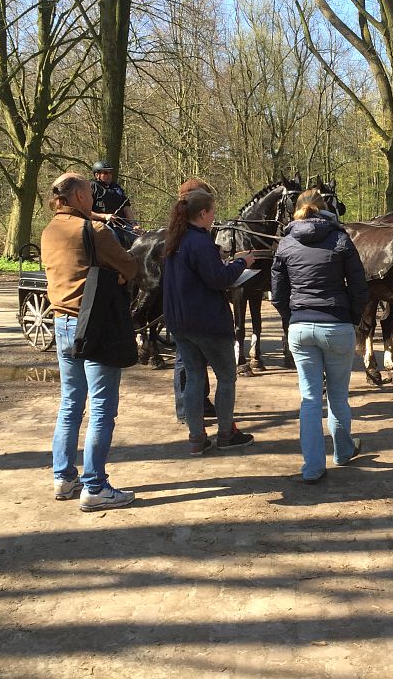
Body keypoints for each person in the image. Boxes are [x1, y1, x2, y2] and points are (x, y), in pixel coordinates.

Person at [41, 172, 140, 511]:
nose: (93, 200)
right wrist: (124, 272)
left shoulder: (49, 230)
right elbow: (130, 263)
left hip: (61, 323)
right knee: (101, 408)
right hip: (95, 324)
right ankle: (95, 486)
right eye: (89, 193)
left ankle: (64, 476)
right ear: (81, 197)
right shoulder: (94, 231)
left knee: (70, 404)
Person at [271, 189, 369, 483]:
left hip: (300, 328)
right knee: (338, 395)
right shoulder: (340, 239)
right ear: (324, 210)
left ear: (297, 211)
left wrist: (292, 320)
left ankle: (312, 467)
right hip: (336, 324)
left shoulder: (285, 243)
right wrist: (351, 319)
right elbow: (359, 287)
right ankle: (342, 452)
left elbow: (277, 294)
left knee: (310, 399)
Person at [163, 188, 257, 455]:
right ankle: (226, 433)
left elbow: (201, 272)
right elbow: (217, 279)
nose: (214, 217)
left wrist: (226, 262)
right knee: (226, 377)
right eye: (212, 212)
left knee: (194, 377)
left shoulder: (176, 239)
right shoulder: (200, 241)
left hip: (180, 322)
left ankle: (196, 437)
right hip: (207, 321)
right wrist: (242, 264)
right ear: (202, 213)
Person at [173, 177, 216, 425]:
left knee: (194, 361)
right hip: (187, 313)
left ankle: (200, 401)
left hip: (188, 311)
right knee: (184, 361)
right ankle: (184, 408)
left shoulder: (191, 236)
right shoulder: (183, 237)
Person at [91, 160, 140, 246]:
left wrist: (134, 224)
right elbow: (85, 211)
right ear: (96, 175)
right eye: (105, 173)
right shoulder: (91, 187)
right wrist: (105, 216)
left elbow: (126, 208)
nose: (109, 175)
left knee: (140, 239)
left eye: (110, 173)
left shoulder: (116, 188)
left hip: (121, 225)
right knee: (114, 240)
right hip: (100, 226)